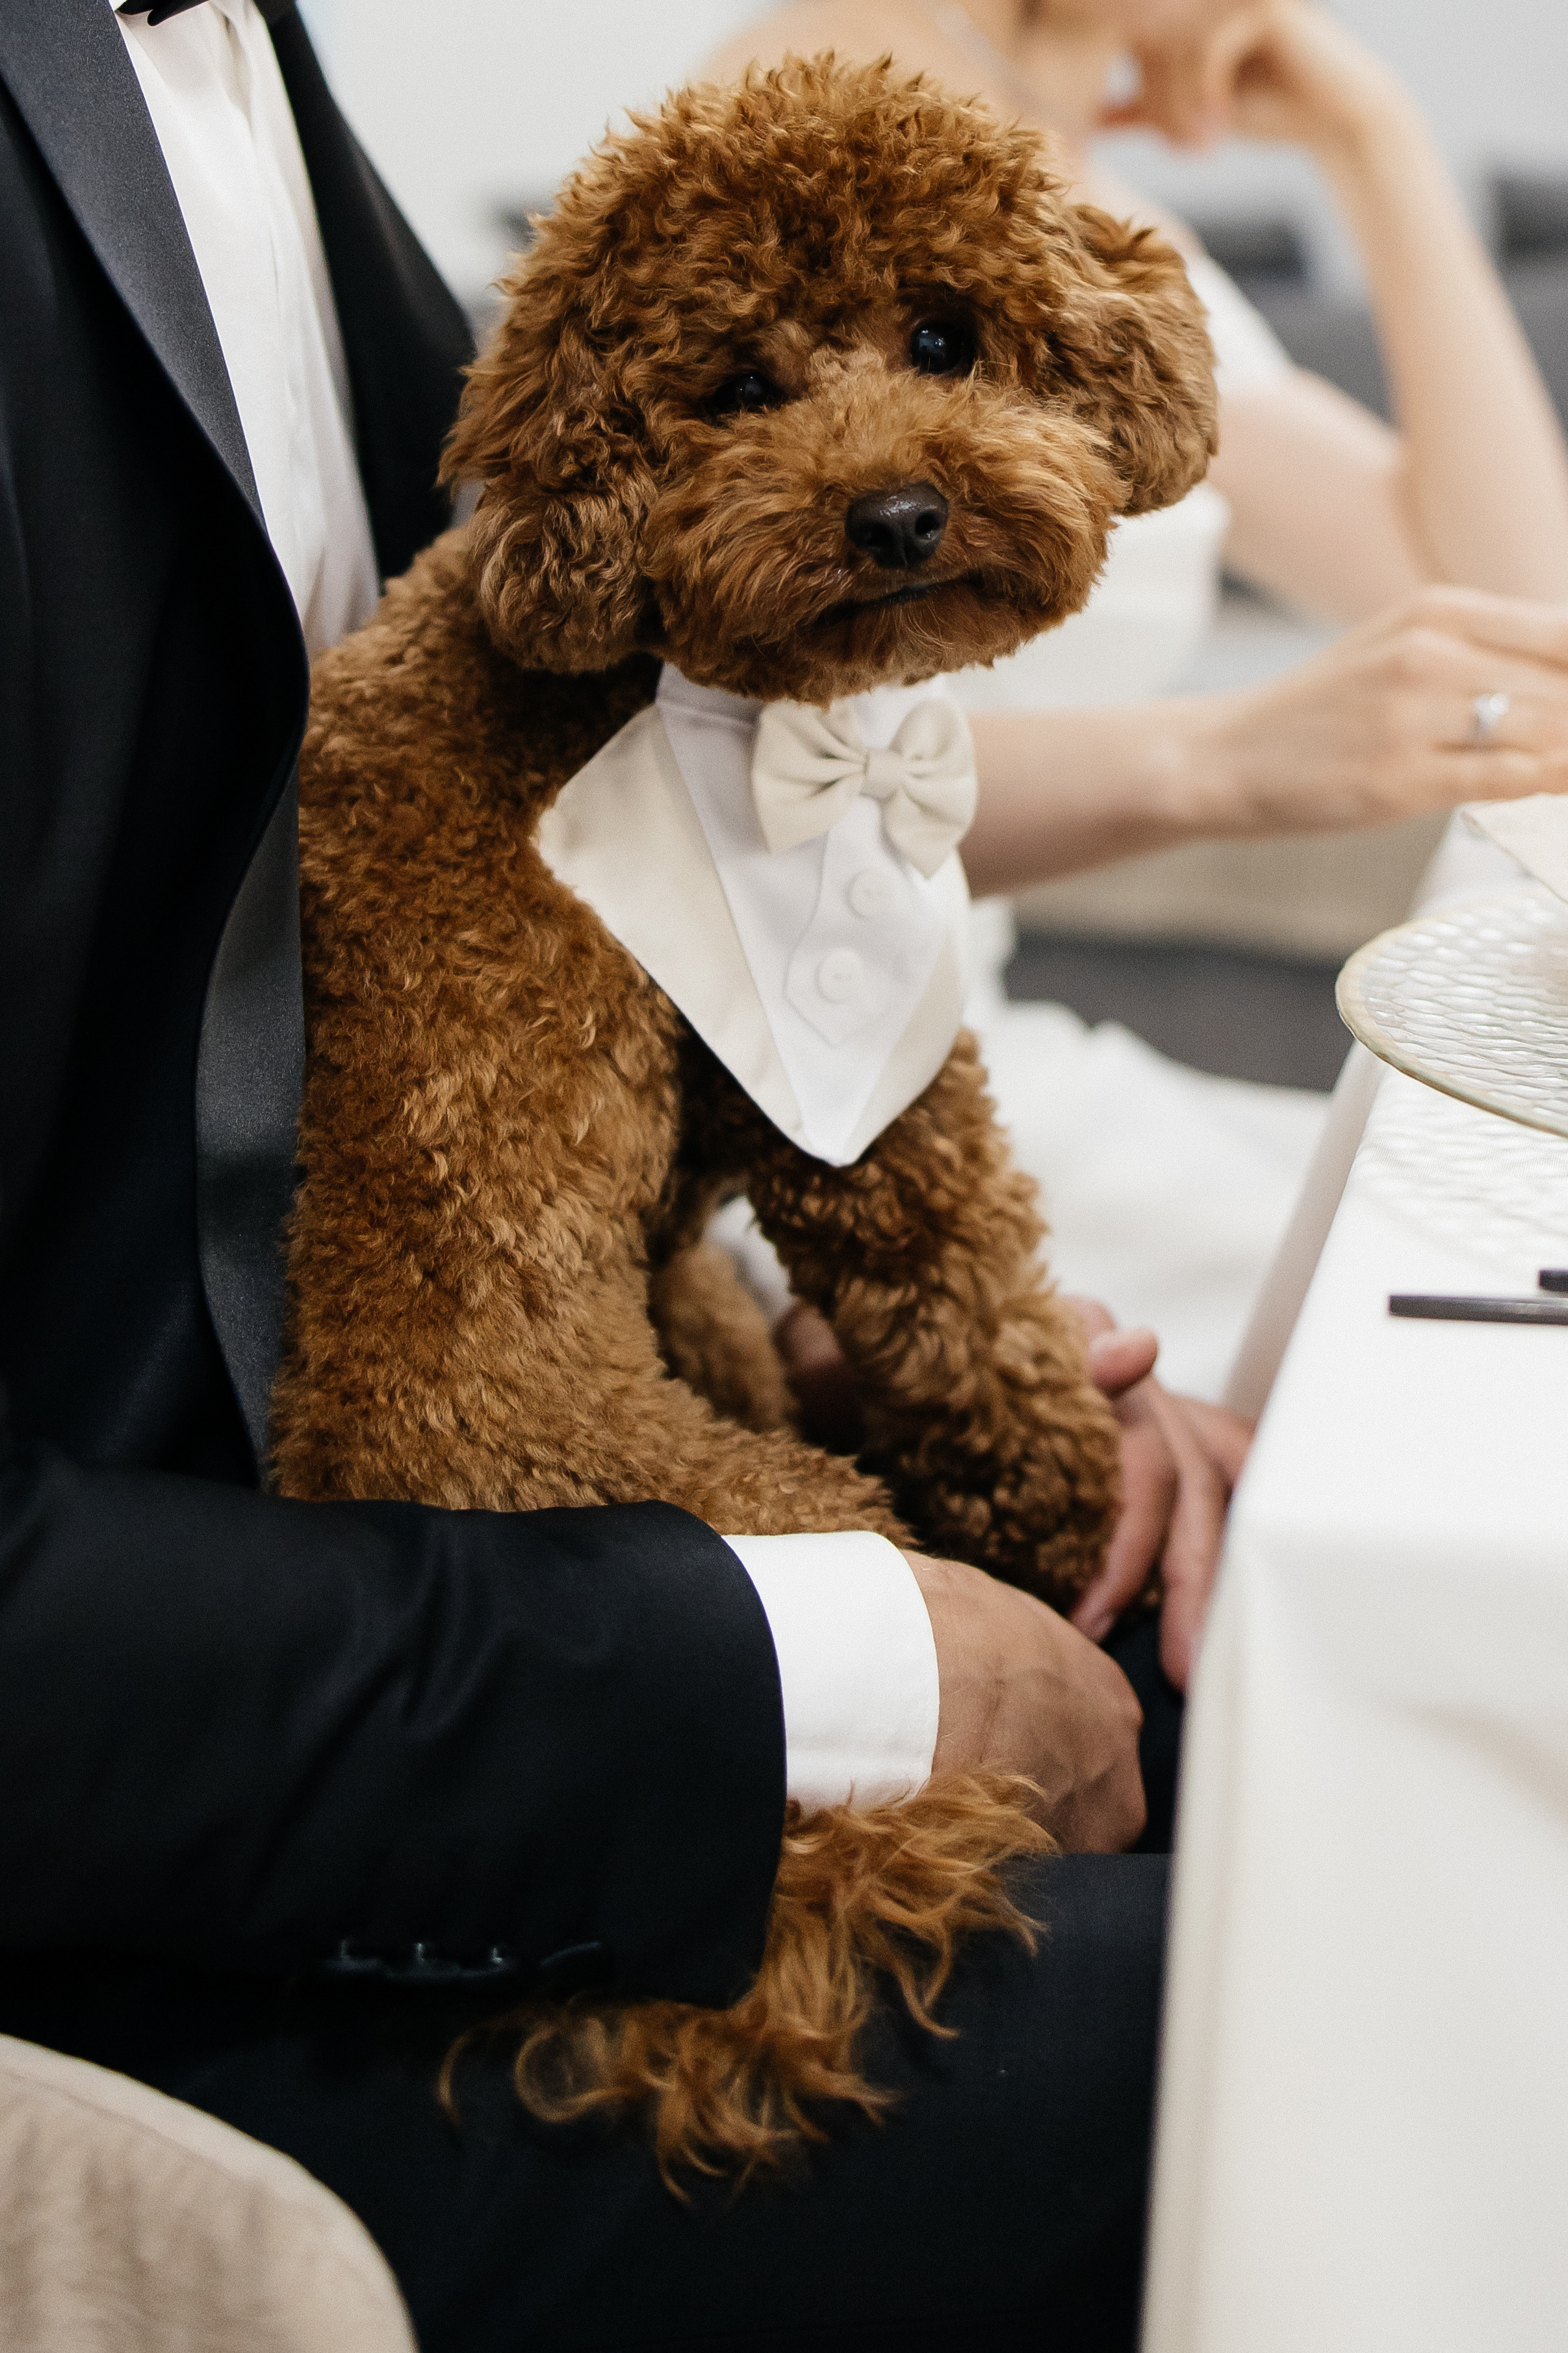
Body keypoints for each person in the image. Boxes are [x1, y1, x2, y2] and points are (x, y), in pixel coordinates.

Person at [0, 3, 1224, 2344]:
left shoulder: (224, 68)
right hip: (177, 1821)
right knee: (1344, 2008)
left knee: (1269, 1686)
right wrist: (816, 1655)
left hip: (481, 1507)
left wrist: (896, 1370)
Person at [709, 0, 1568, 1399]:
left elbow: (1521, 614)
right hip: (813, 1090)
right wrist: (1218, 756)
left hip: (971, 1043)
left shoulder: (1075, 169)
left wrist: (1373, 143)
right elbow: (728, 779)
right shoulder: (830, 107)